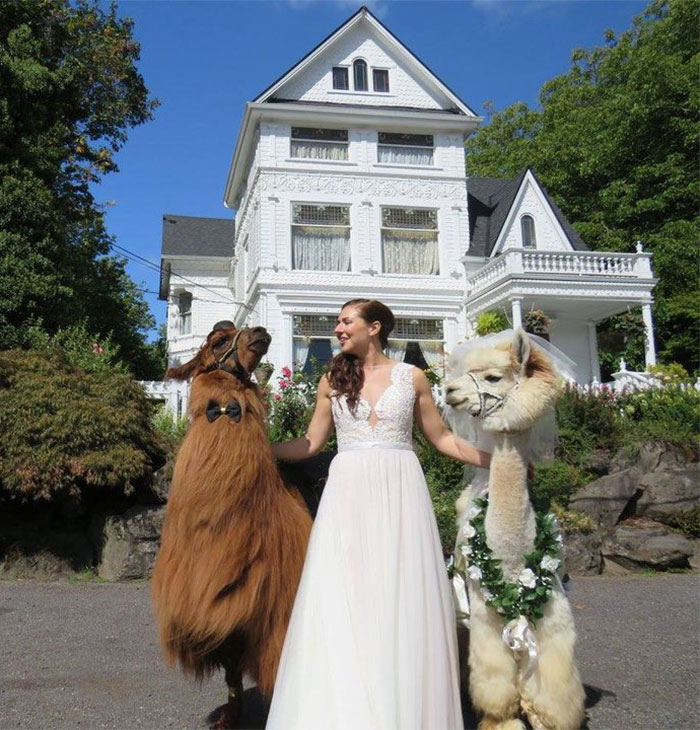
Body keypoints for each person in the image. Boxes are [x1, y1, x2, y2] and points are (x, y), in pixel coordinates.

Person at [266, 299, 491, 730]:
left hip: (401, 491)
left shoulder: (413, 377)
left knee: (400, 593)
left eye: (345, 321)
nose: (337, 329)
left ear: (374, 327)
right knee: (346, 591)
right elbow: (311, 443)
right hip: (348, 491)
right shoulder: (332, 379)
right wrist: (261, 450)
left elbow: (442, 438)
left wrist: (495, 460)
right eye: (336, 322)